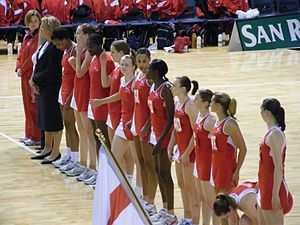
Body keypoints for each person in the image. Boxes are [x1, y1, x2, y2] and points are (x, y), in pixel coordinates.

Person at [91, 54, 140, 193]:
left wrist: (135, 122)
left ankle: (138, 191)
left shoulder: (136, 83)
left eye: (127, 65)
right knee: (114, 157)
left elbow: (139, 105)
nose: (123, 67)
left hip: (133, 126)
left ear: (134, 67)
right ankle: (121, 185)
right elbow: (119, 95)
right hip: (122, 123)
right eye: (122, 64)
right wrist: (101, 102)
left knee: (138, 161)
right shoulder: (123, 80)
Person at [210, 92, 247, 225]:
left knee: (229, 209)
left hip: (226, 171)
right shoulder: (218, 122)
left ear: (219, 106)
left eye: (213, 102)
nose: (210, 104)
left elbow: (242, 148)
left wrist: (236, 172)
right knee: (222, 210)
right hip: (216, 170)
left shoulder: (230, 124)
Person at [30, 16, 63, 164]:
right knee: (45, 118)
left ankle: (55, 151)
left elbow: (52, 70)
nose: (41, 29)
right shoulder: (45, 44)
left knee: (53, 120)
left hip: (52, 87)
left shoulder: (56, 46)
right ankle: (47, 148)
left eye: (43, 26)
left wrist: (36, 79)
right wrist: (34, 79)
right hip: (43, 87)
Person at [167, 76, 200, 225]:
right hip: (179, 150)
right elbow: (176, 127)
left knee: (190, 187)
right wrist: (170, 145)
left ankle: (194, 219)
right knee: (181, 184)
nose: (172, 87)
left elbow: (196, 132)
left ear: (183, 89)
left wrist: (187, 152)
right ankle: (187, 217)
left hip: (189, 152)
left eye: (174, 85)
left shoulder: (190, 105)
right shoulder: (177, 102)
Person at [146, 59, 175, 221]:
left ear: (157, 71)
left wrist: (160, 141)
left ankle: (170, 212)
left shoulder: (166, 89)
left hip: (165, 136)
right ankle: (164, 208)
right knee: (158, 171)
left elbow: (170, 119)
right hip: (155, 134)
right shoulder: (153, 85)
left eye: (150, 68)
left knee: (165, 172)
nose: (147, 71)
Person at [257, 98, 293, 225]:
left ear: (267, 113)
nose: (260, 113)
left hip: (273, 187)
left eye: (261, 110)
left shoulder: (275, 135)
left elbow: (278, 167)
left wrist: (275, 194)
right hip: (266, 184)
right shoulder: (271, 133)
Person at [67, 24, 97, 177]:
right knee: (81, 130)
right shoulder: (81, 51)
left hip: (86, 93)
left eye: (79, 33)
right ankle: (83, 163)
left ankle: (93, 167)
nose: (76, 35)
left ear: (86, 36)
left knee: (89, 133)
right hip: (77, 92)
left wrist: (76, 56)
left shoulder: (90, 53)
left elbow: (79, 73)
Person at [50, 27, 80, 171]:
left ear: (65, 39)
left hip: (71, 93)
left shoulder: (74, 51)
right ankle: (69, 154)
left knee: (71, 126)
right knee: (67, 125)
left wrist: (70, 97)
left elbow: (77, 78)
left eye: (58, 44)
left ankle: (75, 158)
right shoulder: (66, 51)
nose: (57, 47)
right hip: (64, 90)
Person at [131, 48, 157, 207]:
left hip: (146, 126)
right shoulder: (139, 75)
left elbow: (151, 106)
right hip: (136, 122)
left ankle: (151, 200)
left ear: (149, 59)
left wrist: (147, 125)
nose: (141, 65)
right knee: (140, 162)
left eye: (144, 61)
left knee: (149, 165)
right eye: (139, 62)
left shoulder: (151, 79)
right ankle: (144, 195)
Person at [16, 10, 41, 146]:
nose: (33, 24)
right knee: (27, 106)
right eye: (30, 22)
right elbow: (21, 54)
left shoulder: (38, 38)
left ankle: (36, 136)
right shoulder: (26, 37)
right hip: (23, 76)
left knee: (33, 106)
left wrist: (22, 68)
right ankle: (29, 134)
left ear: (39, 22)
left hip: (32, 75)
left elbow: (33, 58)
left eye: (35, 21)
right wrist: (18, 66)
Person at [193, 89, 217, 225]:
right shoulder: (199, 115)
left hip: (208, 163)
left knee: (211, 201)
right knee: (203, 198)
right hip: (199, 161)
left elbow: (221, 142)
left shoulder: (211, 120)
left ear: (205, 103)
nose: (194, 100)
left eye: (197, 98)